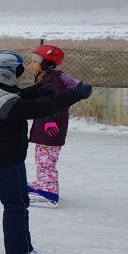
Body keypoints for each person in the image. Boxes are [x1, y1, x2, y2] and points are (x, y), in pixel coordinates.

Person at [0, 50, 92, 254]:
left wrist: (37, 89)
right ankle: (19, 252)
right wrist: (75, 94)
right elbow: (41, 109)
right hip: (7, 160)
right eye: (16, 71)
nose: (20, 73)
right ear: (3, 73)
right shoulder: (7, 103)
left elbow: (14, 96)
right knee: (16, 203)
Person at [26, 44, 80, 208]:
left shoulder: (54, 81)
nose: (32, 64)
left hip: (50, 129)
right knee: (41, 158)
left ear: (46, 64)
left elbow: (59, 103)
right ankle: (42, 182)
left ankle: (49, 192)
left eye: (35, 61)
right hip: (45, 127)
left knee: (46, 161)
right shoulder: (47, 78)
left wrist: (51, 120)